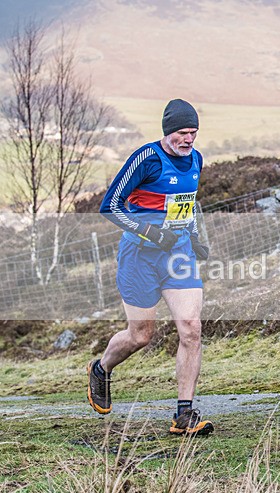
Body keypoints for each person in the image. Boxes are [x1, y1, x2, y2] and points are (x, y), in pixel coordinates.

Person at [87, 99, 213, 436]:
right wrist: (150, 231)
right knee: (140, 335)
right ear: (168, 131)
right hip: (140, 257)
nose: (189, 139)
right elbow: (109, 206)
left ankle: (183, 415)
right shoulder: (147, 158)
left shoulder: (196, 159)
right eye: (183, 133)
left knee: (191, 327)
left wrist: (197, 236)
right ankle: (101, 368)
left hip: (178, 256)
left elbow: (191, 201)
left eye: (194, 133)